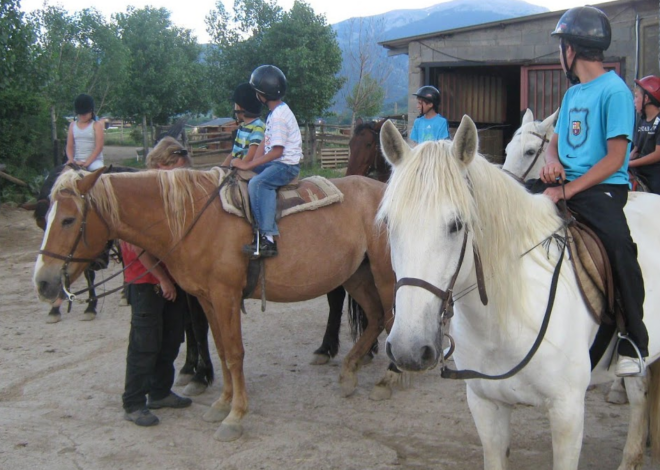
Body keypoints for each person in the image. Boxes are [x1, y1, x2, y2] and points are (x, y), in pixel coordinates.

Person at [532, 5, 648, 377]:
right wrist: (552, 163)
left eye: (561, 45)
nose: (560, 53)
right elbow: (554, 144)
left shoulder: (614, 91)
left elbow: (615, 159)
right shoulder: (572, 96)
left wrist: (568, 190)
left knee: (619, 246)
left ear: (572, 49)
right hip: (564, 184)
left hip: (602, 189)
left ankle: (634, 339)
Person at [122, 139, 193, 427]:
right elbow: (138, 247)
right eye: (177, 169)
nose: (181, 176)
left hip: (169, 280)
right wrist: (165, 279)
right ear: (161, 165)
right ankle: (134, 402)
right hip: (146, 280)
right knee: (144, 343)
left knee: (172, 338)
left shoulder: (167, 194)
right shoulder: (140, 196)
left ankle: (161, 391)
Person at [230, 65, 302, 258]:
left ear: (262, 94)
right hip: (276, 161)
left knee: (259, 183)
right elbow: (265, 141)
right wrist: (249, 162)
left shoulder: (278, 117)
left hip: (285, 165)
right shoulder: (276, 112)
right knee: (241, 174)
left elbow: (277, 151)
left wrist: (247, 165)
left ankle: (267, 238)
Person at [628, 75, 660, 194]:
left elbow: (657, 154)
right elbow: (636, 148)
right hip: (642, 173)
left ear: (646, 98)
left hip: (656, 175)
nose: (634, 101)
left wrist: (632, 163)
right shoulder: (641, 120)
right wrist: (623, 161)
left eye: (636, 97)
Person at [222, 82, 265, 167]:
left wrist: (239, 167)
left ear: (239, 107)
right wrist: (221, 168)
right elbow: (234, 153)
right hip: (238, 166)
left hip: (248, 168)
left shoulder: (258, 127)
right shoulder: (242, 127)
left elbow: (252, 155)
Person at [66, 94, 105, 171]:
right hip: (77, 161)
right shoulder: (72, 125)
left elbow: (99, 147)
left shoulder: (97, 125)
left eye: (85, 113)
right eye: (81, 114)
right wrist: (71, 160)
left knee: (99, 175)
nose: (83, 116)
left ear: (91, 111)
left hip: (94, 162)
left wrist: (86, 163)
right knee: (58, 176)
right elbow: (69, 146)